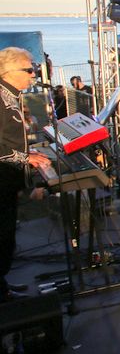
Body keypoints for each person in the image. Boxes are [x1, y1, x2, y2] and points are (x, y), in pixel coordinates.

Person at [0, 48, 51, 301]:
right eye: (29, 69)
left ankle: (2, 287)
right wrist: (25, 158)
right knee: (2, 238)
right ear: (9, 72)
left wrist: (26, 152)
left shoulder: (10, 95)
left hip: (7, 181)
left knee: (6, 237)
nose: (34, 75)